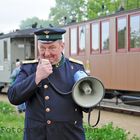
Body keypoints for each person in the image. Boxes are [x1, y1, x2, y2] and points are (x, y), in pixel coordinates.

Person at [8, 27, 91, 140]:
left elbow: (88, 108)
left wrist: (89, 95)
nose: (47, 53)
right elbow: (13, 97)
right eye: (42, 48)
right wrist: (37, 77)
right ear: (38, 47)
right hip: (38, 135)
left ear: (62, 46)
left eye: (52, 48)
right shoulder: (29, 68)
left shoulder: (75, 68)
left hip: (69, 135)